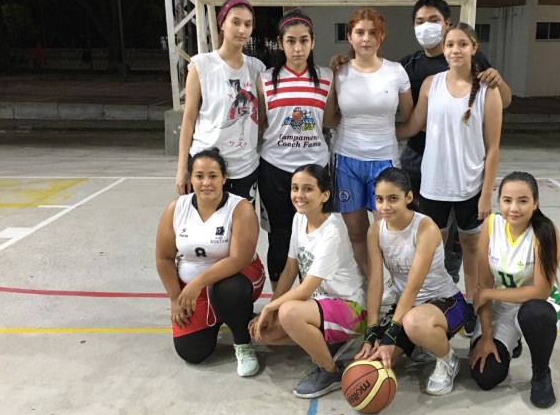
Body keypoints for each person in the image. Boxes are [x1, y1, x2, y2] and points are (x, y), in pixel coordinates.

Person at [394, 0, 512, 304]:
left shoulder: (486, 89)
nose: (455, 49)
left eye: (462, 44)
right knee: (433, 247)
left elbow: (493, 148)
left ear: (474, 48)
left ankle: (474, 303)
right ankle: (437, 302)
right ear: (444, 49)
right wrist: (368, 131)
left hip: (470, 185)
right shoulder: (429, 83)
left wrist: (486, 195)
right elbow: (411, 127)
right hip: (433, 182)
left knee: (472, 247)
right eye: (450, 45)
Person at [250, 164, 366, 399]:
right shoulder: (299, 219)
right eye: (295, 188)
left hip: (351, 309)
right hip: (321, 306)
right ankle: (329, 343)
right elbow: (291, 268)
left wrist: (271, 309)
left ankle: (331, 371)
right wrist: (269, 309)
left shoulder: (332, 231)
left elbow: (306, 289)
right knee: (265, 333)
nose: (299, 195)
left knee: (289, 312)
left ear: (325, 195)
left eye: (308, 189)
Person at [356, 167, 471, 395]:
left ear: (408, 197)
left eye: (393, 199)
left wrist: (392, 332)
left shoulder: (425, 227)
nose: (385, 206)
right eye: (379, 199)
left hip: (445, 302)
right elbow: (376, 282)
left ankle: (448, 360)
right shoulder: (375, 231)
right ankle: (421, 343)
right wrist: (372, 330)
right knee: (375, 366)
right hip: (408, 308)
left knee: (413, 323)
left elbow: (413, 286)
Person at [156, 148, 266, 377]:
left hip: (236, 278)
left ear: (224, 178)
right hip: (194, 290)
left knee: (228, 290)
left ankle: (243, 343)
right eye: (199, 176)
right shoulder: (176, 208)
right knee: (193, 352)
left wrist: (198, 283)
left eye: (213, 176)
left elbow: (238, 259)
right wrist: (175, 298)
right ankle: (222, 314)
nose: (206, 182)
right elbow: (164, 258)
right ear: (191, 178)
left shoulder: (240, 208)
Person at [469, 171, 560, 408]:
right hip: (502, 306)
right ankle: (513, 341)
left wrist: (489, 293)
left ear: (535, 203)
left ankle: (541, 372)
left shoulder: (545, 232)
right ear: (499, 201)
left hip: (537, 306)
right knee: (485, 376)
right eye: (507, 200)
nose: (514, 208)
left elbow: (540, 292)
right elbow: (483, 285)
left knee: (534, 314)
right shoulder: (491, 225)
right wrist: (487, 337)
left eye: (523, 201)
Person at [329, 7, 413, 279]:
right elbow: (330, 118)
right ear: (350, 37)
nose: (366, 38)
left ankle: (394, 286)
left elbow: (411, 119)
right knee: (356, 233)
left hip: (384, 162)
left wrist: (387, 134)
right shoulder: (338, 72)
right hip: (347, 161)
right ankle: (372, 285)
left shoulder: (396, 72)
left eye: (373, 32)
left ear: (382, 36)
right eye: (360, 32)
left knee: (388, 233)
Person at [257, 9, 336, 291]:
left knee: (315, 234)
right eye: (291, 41)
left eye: (304, 40)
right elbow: (261, 122)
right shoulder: (265, 79)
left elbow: (330, 119)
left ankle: (311, 298)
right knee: (280, 237)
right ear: (281, 43)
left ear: (313, 42)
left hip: (315, 169)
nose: (298, 48)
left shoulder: (327, 77)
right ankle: (278, 301)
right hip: (275, 169)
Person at [176, 0, 266, 200]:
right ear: (222, 23)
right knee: (205, 221)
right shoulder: (201, 65)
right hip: (206, 167)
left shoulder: (257, 69)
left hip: (244, 167)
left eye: (248, 24)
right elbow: (188, 119)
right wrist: (182, 167)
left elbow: (261, 118)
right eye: (236, 22)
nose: (242, 30)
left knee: (242, 221)